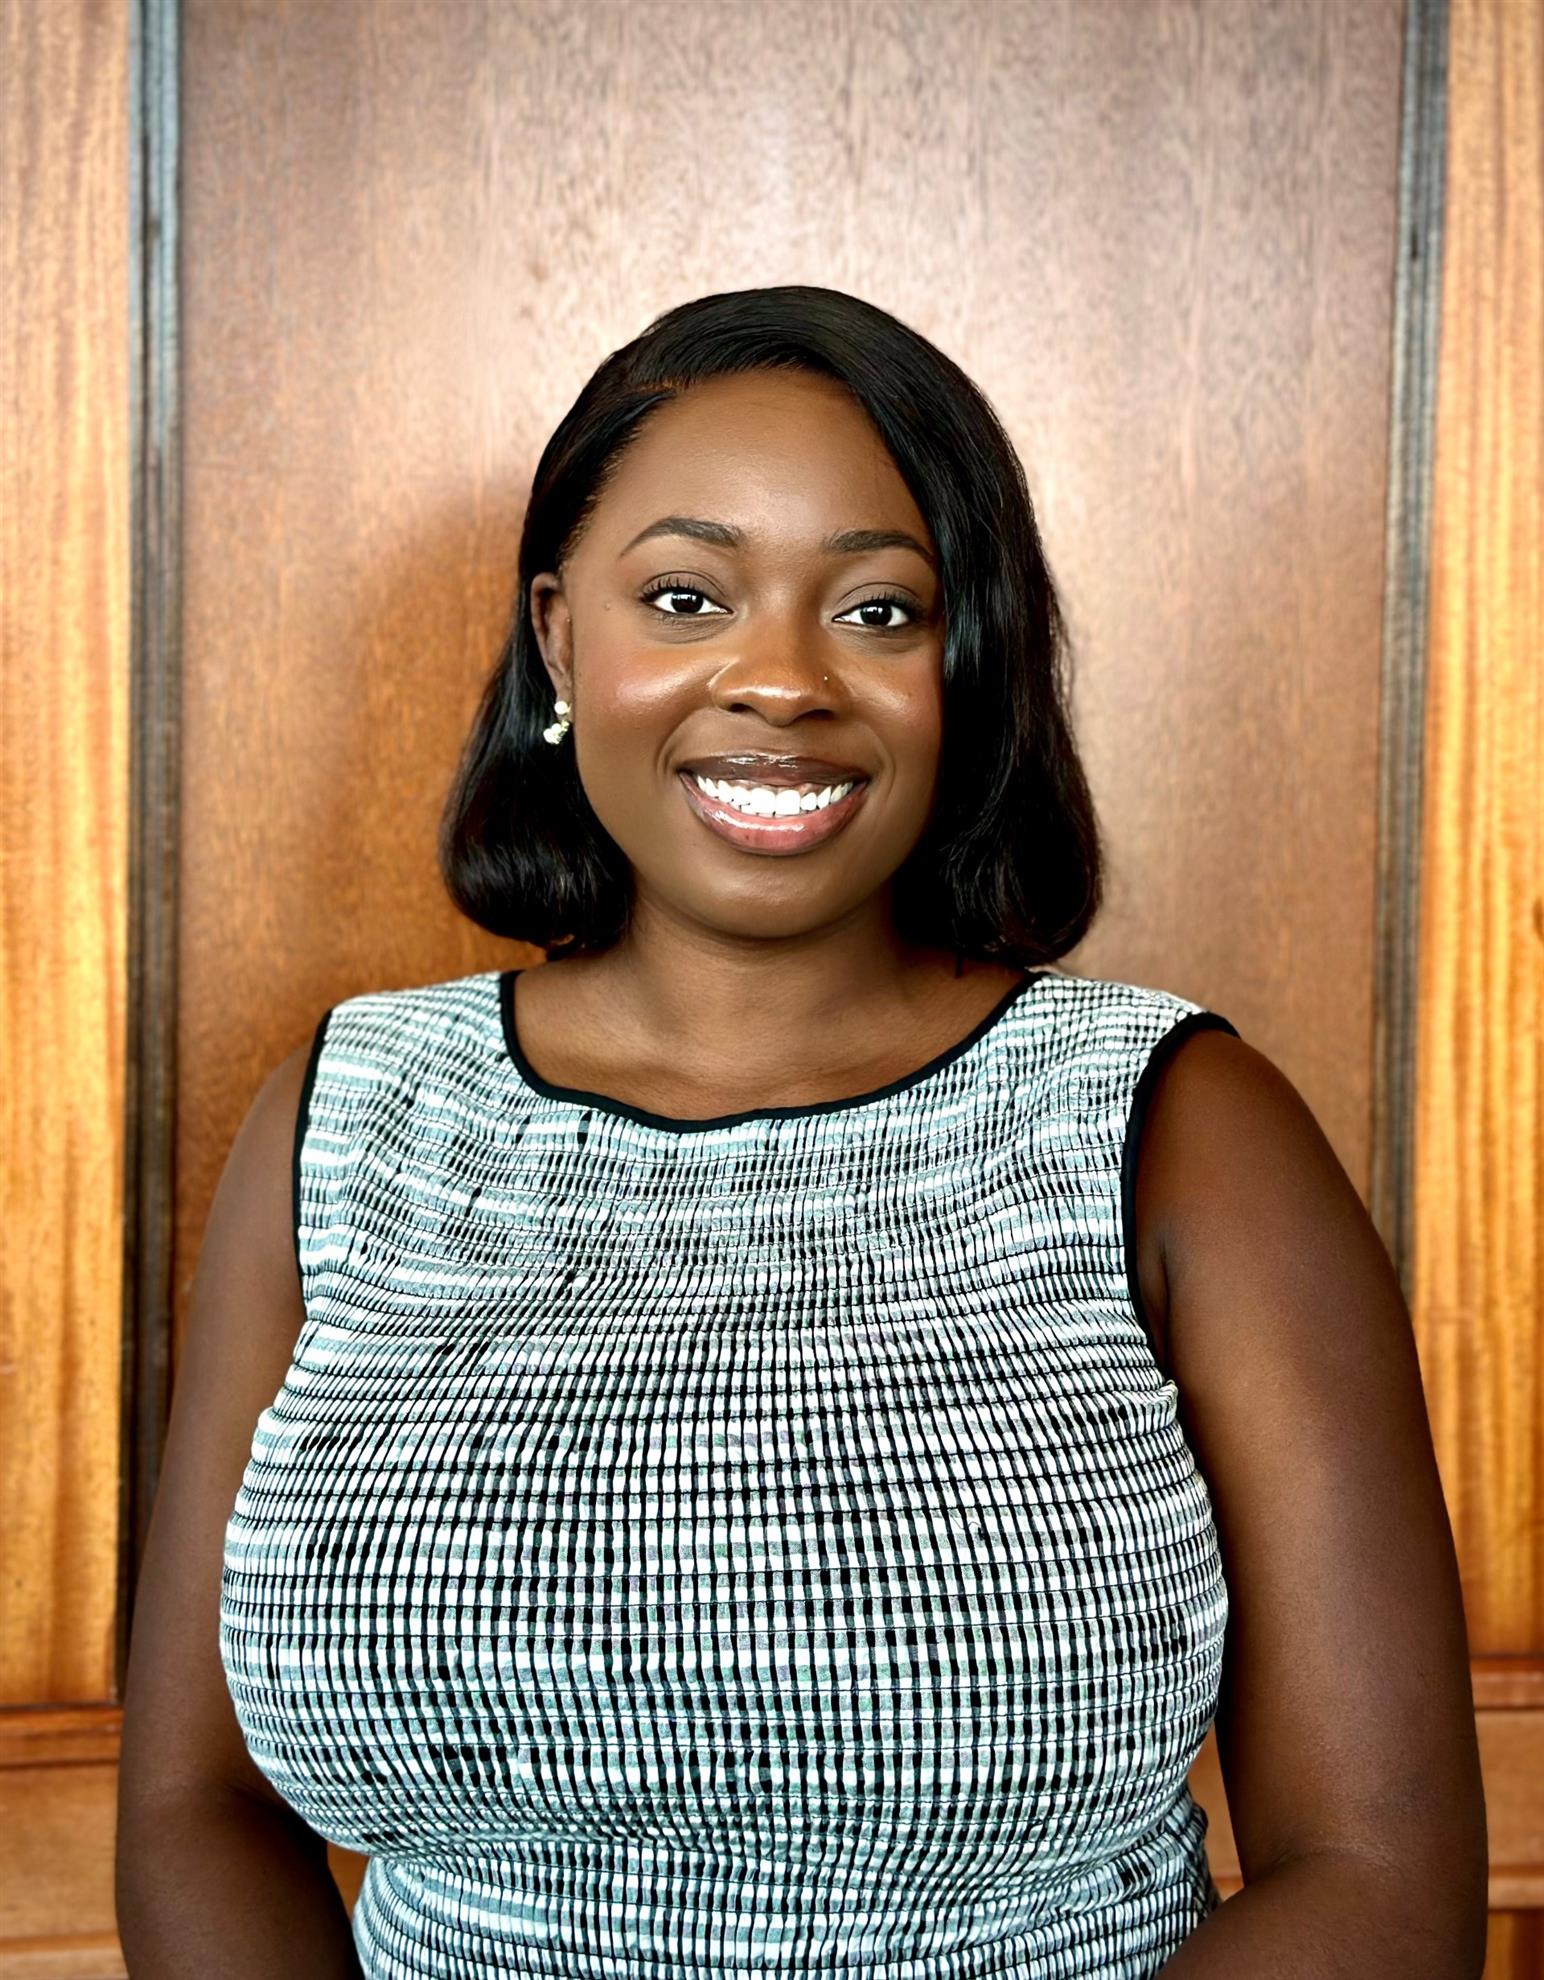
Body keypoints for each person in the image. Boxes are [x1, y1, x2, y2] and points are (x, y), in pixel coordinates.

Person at [116, 285, 1486, 1978]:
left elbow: (1377, 1875)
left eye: (879, 609)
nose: (779, 680)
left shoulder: (1182, 1130)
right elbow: (195, 1808)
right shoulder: (350, 1120)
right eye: (687, 597)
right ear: (559, 638)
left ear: (966, 664)